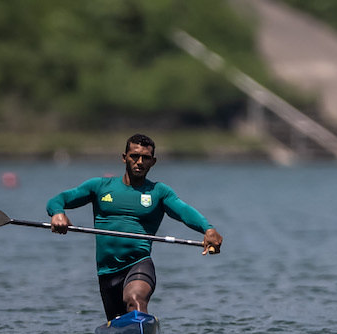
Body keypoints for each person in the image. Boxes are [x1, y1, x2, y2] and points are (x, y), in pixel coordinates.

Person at [47, 133, 223, 320]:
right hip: (106, 273)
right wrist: (58, 213)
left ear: (153, 162)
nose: (140, 162)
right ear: (124, 158)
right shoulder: (99, 186)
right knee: (116, 321)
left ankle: (141, 326)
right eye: (134, 156)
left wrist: (208, 229)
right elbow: (58, 200)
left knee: (135, 299)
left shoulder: (159, 192)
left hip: (138, 264)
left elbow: (184, 211)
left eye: (146, 158)